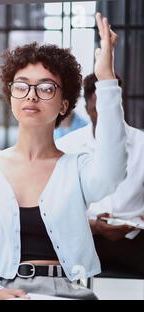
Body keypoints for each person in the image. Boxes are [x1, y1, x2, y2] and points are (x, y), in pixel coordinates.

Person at [0, 13, 126, 300]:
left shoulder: (78, 167)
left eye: (46, 88)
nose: (31, 95)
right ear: (11, 97)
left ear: (63, 104)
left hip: (66, 293)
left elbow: (114, 170)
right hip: (2, 291)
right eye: (21, 86)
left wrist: (106, 79)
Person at [56, 73, 144, 275]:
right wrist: (94, 226)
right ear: (87, 108)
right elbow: (58, 209)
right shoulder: (66, 147)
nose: (106, 119)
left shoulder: (141, 144)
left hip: (136, 241)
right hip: (84, 240)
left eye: (111, 109)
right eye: (97, 110)